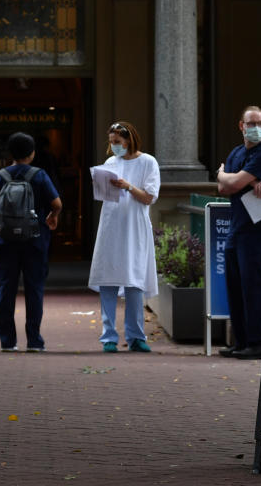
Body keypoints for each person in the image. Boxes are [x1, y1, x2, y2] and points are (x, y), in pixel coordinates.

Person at [88, 121, 161, 353]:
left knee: (134, 279)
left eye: (117, 142)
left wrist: (128, 186)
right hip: (111, 224)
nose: (114, 147)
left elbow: (149, 197)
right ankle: (108, 336)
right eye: (111, 143)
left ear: (129, 140)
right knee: (108, 278)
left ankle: (136, 335)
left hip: (134, 226)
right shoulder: (111, 162)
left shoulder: (148, 162)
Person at [0, 132, 62, 352]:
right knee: (34, 289)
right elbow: (56, 203)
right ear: (32, 153)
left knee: (4, 289)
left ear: (10, 153)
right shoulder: (39, 175)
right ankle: (34, 341)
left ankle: (7, 341)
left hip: (5, 241)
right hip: (35, 241)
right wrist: (52, 216)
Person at [216, 106, 261, 359]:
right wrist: (248, 180)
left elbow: (229, 182)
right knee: (236, 287)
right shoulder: (237, 152)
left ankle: (258, 343)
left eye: (260, 122)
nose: (256, 127)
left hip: (259, 231)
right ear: (241, 126)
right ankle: (240, 341)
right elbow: (223, 190)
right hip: (237, 229)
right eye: (251, 123)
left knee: (255, 288)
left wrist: (223, 173)